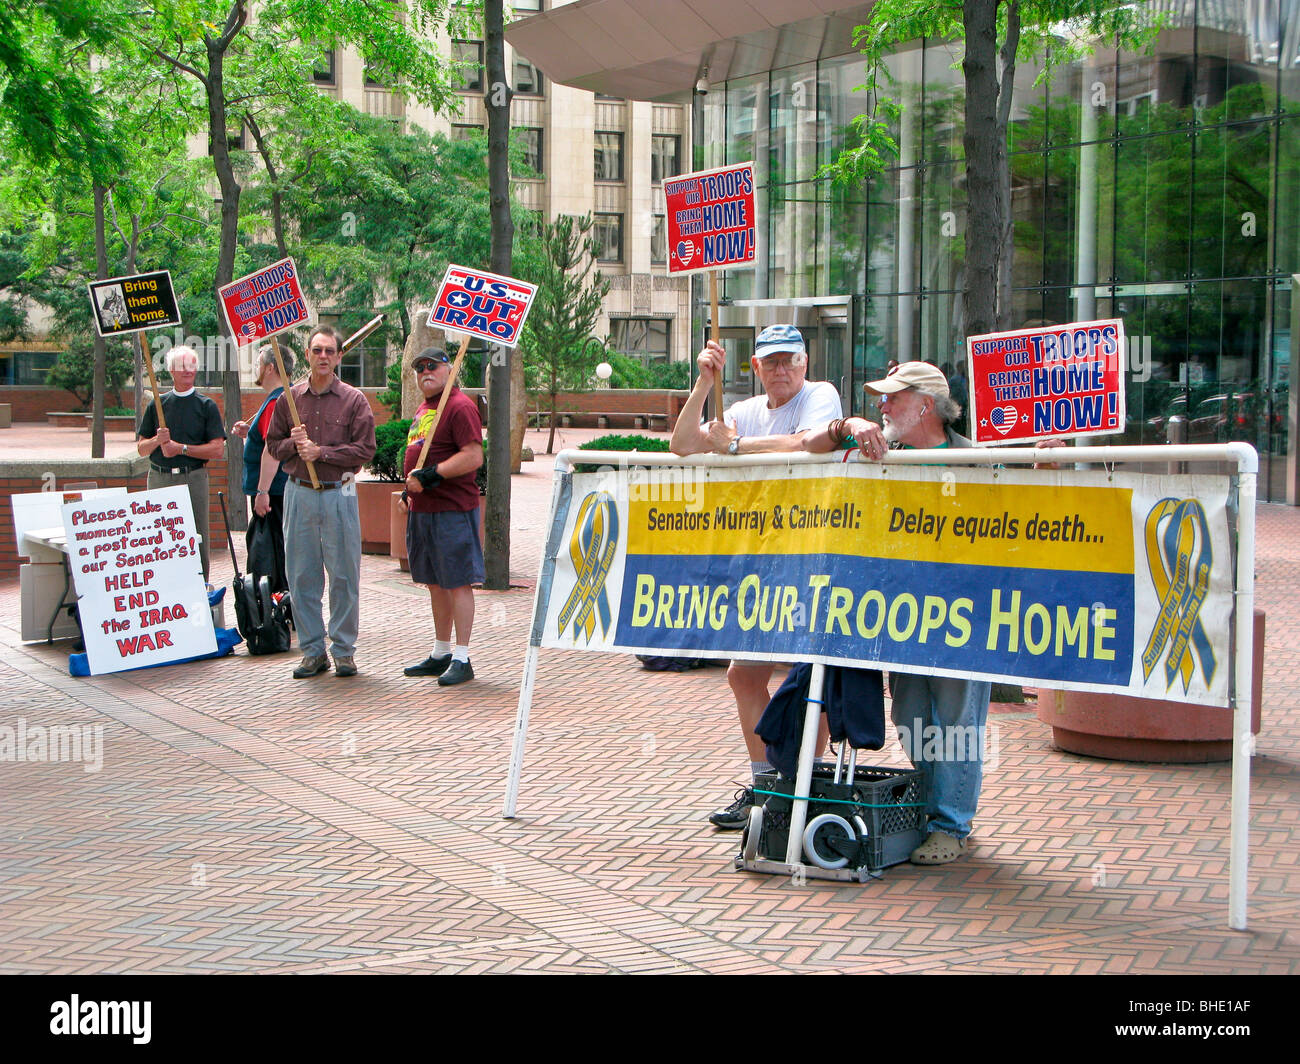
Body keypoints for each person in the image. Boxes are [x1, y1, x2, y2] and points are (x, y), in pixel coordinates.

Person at [802, 360, 988, 864]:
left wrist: (1047, 465)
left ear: (926, 405)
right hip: (904, 617)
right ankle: (931, 813)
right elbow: (806, 447)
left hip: (963, 617)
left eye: (892, 399)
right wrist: (849, 425)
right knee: (912, 716)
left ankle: (951, 823)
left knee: (955, 719)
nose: (881, 407)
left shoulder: (979, 460)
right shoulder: (884, 452)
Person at [670, 323, 842, 830]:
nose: (781, 369)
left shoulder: (821, 395)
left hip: (816, 555)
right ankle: (767, 785)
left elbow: (806, 444)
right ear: (756, 367)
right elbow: (682, 445)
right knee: (743, 673)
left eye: (790, 360)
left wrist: (736, 449)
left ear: (806, 363)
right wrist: (704, 384)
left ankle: (808, 787)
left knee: (812, 676)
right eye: (771, 361)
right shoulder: (740, 409)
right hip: (761, 559)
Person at [266, 325, 376, 679]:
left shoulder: (354, 401)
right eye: (317, 351)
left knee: (343, 574)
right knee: (301, 575)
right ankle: (313, 652)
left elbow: (365, 450)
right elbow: (273, 445)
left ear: (339, 356)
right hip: (298, 492)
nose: (323, 357)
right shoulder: (289, 399)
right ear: (309, 354)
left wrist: (321, 452)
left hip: (339, 492)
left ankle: (343, 651)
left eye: (330, 351)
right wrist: (293, 445)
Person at [399, 346, 484, 687]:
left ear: (450, 369)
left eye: (432, 366)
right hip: (424, 511)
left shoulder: (460, 407)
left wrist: (431, 476)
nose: (425, 372)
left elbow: (473, 456)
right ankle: (442, 651)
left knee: (457, 582)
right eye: (419, 368)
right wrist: (410, 491)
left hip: (452, 510)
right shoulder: (425, 408)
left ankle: (462, 657)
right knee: (435, 583)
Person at [136, 345, 226, 582]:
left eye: (191, 365)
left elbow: (217, 449)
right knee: (159, 536)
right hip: (159, 478)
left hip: (193, 477)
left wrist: (182, 449)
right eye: (182, 366)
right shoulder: (157, 404)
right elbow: (141, 448)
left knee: (197, 536)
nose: (187, 370)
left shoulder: (206, 405)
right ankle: (163, 586)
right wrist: (158, 440)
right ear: (172, 371)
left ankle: (199, 587)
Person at [231, 346, 292, 593]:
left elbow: (272, 449)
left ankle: (276, 604)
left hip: (272, 492)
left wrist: (262, 491)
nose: (256, 368)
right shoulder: (280, 399)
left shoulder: (275, 402)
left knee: (270, 552)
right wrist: (251, 433)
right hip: (277, 489)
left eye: (258, 363)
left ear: (269, 367)